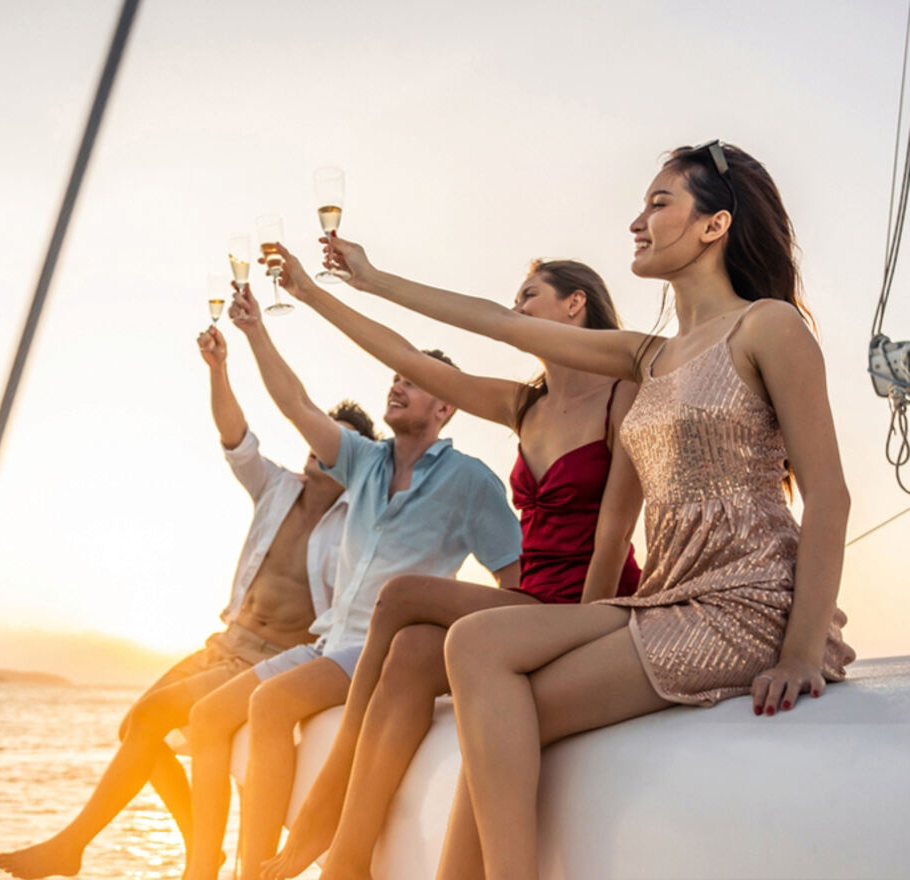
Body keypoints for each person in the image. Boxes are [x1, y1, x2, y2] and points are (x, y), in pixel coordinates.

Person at [325, 141, 854, 880]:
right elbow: (498, 324)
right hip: (668, 596)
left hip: (747, 604)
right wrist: (372, 279)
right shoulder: (649, 357)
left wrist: (800, 653)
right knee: (476, 648)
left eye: (659, 203)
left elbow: (830, 493)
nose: (637, 221)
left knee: (501, 702)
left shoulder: (768, 327)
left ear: (714, 225)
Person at [258, 253, 644, 880]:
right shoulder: (525, 406)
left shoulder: (625, 397)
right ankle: (348, 859)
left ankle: (326, 818)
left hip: (582, 605)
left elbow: (614, 533)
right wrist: (311, 293)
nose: (517, 309)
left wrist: (585, 631)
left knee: (401, 597)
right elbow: (407, 358)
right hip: (535, 596)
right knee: (411, 649)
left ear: (577, 304)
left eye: (530, 295)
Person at [0, 324, 375, 880]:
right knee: (136, 726)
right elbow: (237, 438)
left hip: (272, 658)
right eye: (317, 439)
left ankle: (94, 848)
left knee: (157, 718)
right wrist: (219, 370)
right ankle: (189, 834)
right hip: (225, 643)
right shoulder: (277, 489)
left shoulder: (357, 526)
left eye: (335, 444)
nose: (321, 450)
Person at [181, 285, 523, 880]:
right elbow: (297, 404)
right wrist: (255, 331)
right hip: (325, 640)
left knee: (269, 704)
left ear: (445, 409)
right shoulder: (364, 460)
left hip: (378, 651)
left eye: (412, 381)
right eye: (394, 376)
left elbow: (513, 580)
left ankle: (256, 870)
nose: (396, 384)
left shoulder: (471, 481)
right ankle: (237, 865)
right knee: (211, 715)